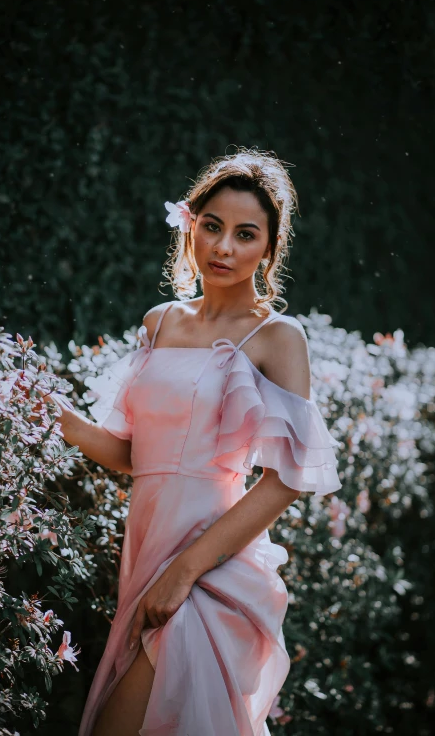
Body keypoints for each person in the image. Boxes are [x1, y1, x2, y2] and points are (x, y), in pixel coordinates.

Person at [43, 148, 341, 736]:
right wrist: (62, 420)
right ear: (190, 225)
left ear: (269, 248)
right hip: (146, 555)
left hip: (208, 566)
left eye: (245, 234)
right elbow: (135, 456)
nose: (223, 247)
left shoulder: (277, 336)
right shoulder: (160, 322)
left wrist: (186, 571)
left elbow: (286, 479)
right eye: (212, 226)